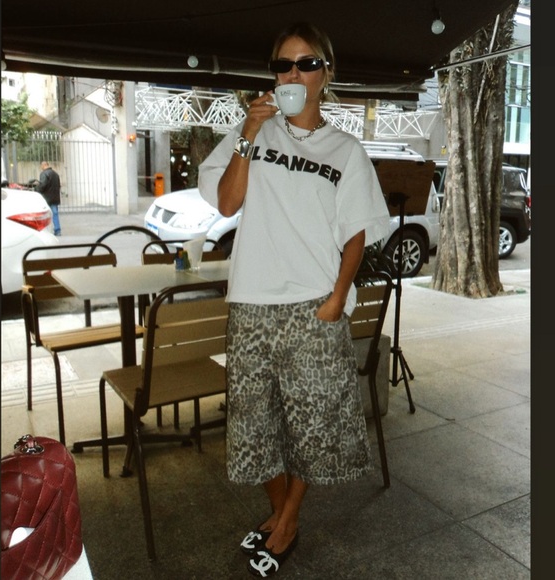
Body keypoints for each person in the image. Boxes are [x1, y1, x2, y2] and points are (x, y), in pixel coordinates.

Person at [198, 22, 390, 577]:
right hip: (252, 302)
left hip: (313, 303)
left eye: (307, 64)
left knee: (313, 421)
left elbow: (356, 234)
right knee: (254, 422)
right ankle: (283, 512)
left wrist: (337, 298)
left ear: (327, 73)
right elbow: (228, 204)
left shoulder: (345, 149)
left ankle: (286, 521)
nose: (293, 74)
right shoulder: (253, 131)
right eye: (283, 65)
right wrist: (248, 133)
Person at [35, 161, 62, 236]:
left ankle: (45, 231)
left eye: (41, 166)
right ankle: (57, 230)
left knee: (44, 214)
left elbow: (43, 185)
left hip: (46, 198)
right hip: (55, 197)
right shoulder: (56, 174)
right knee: (55, 214)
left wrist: (36, 189)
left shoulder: (44, 174)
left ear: (43, 165)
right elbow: (58, 185)